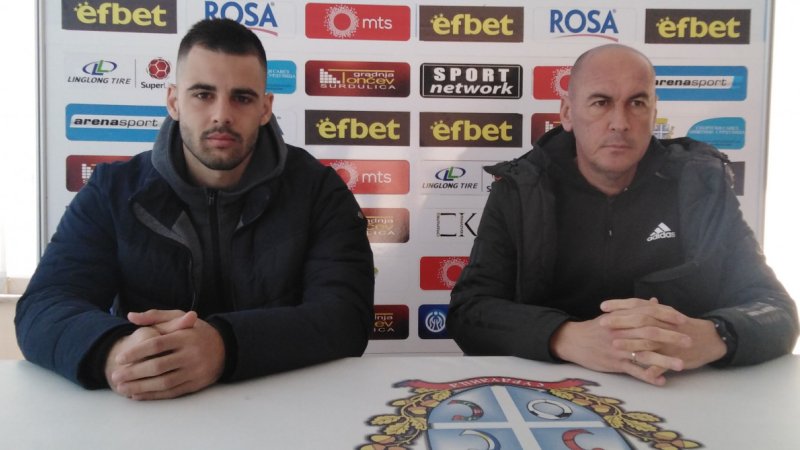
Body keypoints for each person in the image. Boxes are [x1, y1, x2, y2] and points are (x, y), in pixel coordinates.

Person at [15, 18, 374, 400]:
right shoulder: (112, 190)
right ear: (173, 101)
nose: (221, 115)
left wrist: (223, 345)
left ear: (265, 108)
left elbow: (346, 316)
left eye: (242, 98)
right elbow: (44, 306)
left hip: (285, 406)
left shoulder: (319, 191)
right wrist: (116, 351)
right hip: (146, 410)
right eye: (203, 94)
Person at [448, 44, 798, 386]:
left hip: (680, 389)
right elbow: (469, 312)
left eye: (637, 103)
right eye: (601, 103)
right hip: (551, 394)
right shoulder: (522, 189)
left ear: (654, 113)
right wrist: (565, 337)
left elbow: (777, 309)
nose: (620, 123)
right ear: (567, 113)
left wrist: (708, 336)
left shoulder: (701, 185)